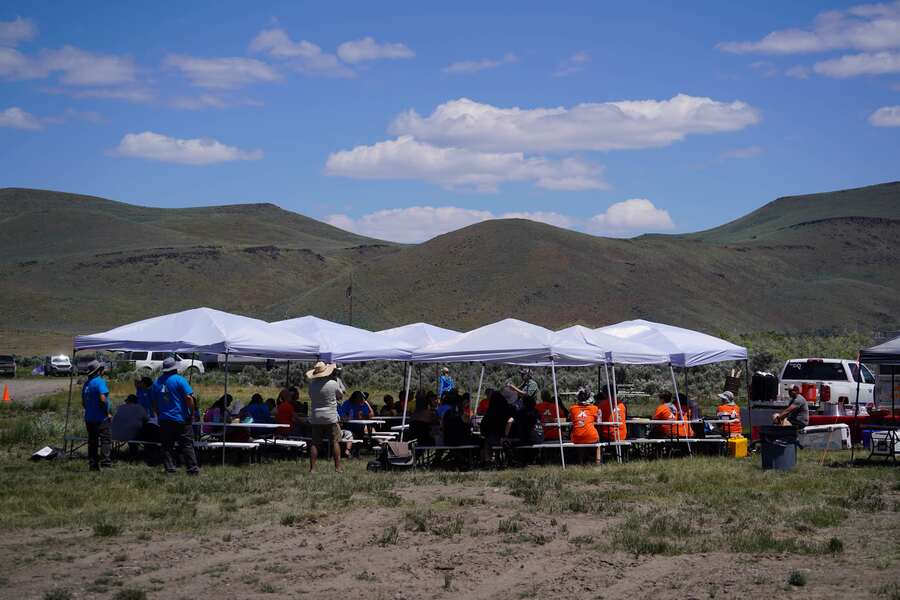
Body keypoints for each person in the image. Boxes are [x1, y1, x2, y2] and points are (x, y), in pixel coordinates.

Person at [153, 357, 199, 475]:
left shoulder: (157, 382)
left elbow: (153, 401)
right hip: (181, 418)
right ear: (175, 369)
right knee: (187, 445)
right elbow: (189, 398)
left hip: (164, 419)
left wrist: (158, 414)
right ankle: (192, 469)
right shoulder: (179, 380)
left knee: (167, 446)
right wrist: (192, 412)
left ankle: (170, 469)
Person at [306, 361, 343, 472]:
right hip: (330, 416)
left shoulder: (312, 385)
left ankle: (312, 469)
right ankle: (337, 467)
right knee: (335, 441)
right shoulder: (332, 383)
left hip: (316, 416)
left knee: (315, 443)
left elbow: (312, 397)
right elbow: (340, 396)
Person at [82, 360, 112, 471]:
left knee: (92, 442)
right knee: (105, 440)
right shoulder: (99, 382)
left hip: (89, 418)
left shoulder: (87, 384)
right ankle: (106, 464)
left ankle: (93, 464)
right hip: (101, 418)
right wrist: (107, 412)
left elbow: (83, 402)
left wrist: (90, 409)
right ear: (99, 371)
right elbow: (103, 399)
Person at [480, 391, 515, 463]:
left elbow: (483, 428)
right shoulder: (508, 410)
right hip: (507, 439)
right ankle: (498, 459)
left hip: (493, 440)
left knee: (486, 441)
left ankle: (487, 461)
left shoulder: (489, 413)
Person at [570, 388, 601, 464]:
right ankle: (598, 462)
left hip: (576, 436)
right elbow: (599, 422)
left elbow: (571, 419)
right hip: (591, 436)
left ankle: (581, 461)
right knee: (598, 445)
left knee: (580, 442)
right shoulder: (594, 408)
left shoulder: (572, 408)